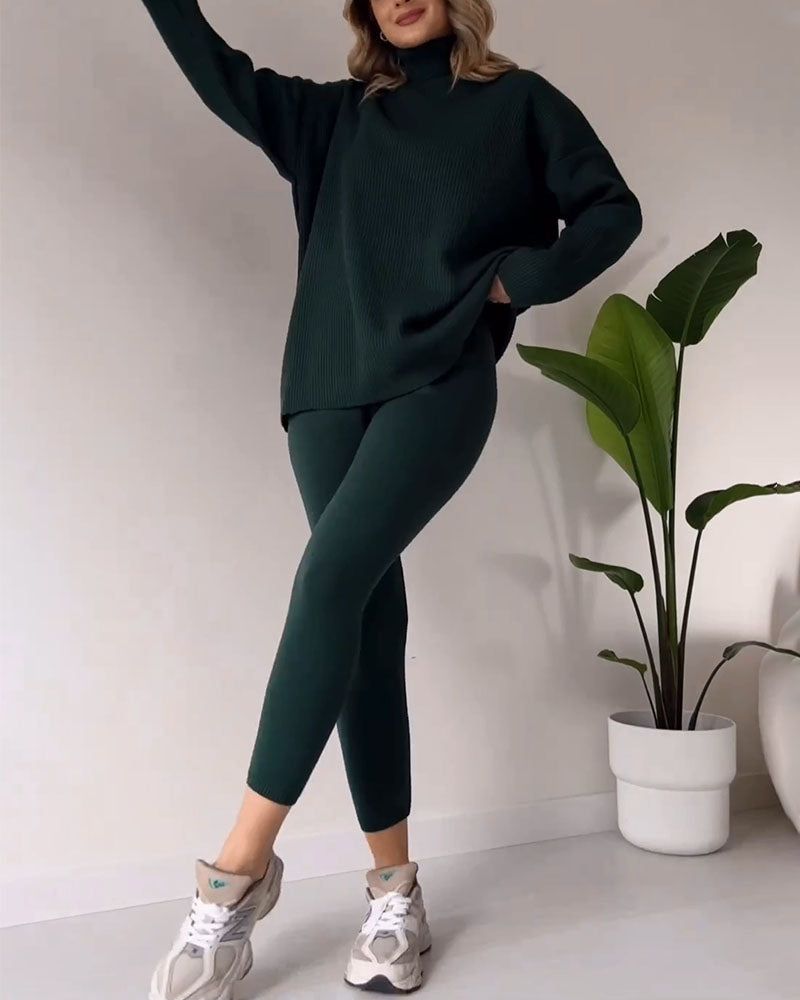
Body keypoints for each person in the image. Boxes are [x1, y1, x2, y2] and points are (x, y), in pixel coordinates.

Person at [138, 0, 642, 996]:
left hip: (441, 375)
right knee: (367, 619)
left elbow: (609, 208)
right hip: (325, 385)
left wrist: (516, 282)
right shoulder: (332, 117)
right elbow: (215, 69)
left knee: (328, 579)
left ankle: (237, 868)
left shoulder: (519, 104)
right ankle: (394, 890)